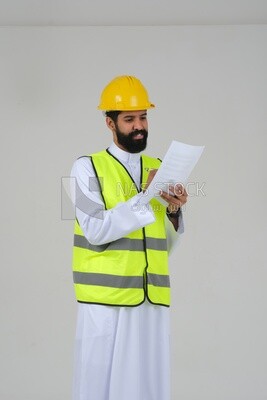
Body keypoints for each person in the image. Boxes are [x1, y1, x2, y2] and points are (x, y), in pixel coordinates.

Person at [70, 75, 188, 400]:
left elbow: (163, 244)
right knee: (99, 391)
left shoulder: (158, 166)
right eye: (129, 119)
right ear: (110, 123)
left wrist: (174, 212)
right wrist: (146, 196)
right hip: (105, 305)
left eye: (143, 117)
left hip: (150, 301)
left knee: (148, 390)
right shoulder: (85, 168)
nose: (139, 126)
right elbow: (95, 229)